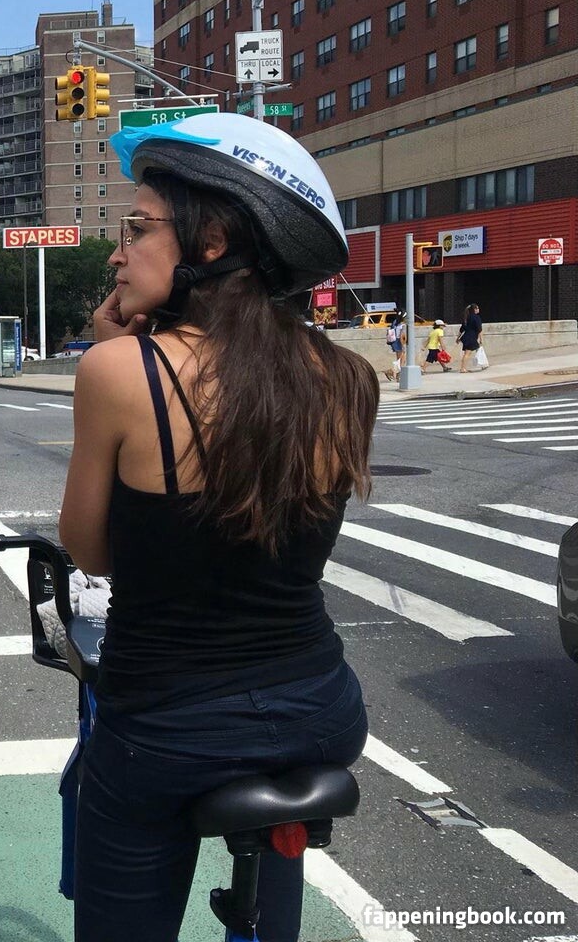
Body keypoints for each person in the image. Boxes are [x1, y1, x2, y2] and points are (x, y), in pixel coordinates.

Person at [58, 113, 379, 942]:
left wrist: (118, 351)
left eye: (136, 230)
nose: (118, 255)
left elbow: (90, 552)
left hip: (169, 725)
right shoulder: (347, 376)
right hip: (323, 709)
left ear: (210, 243)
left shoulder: (118, 370)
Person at [457, 303, 483, 372]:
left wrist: (458, 338)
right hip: (472, 337)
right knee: (467, 353)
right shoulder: (476, 317)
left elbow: (461, 329)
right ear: (474, 309)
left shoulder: (466, 317)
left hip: (466, 337)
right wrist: (481, 339)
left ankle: (463, 367)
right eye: (477, 308)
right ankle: (463, 368)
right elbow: (479, 329)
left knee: (467, 353)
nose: (478, 309)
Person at [384, 310, 406, 381]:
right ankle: (391, 372)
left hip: (395, 342)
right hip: (399, 342)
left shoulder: (395, 323)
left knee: (399, 360)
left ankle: (396, 375)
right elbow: (402, 336)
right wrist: (403, 346)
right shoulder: (403, 325)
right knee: (401, 361)